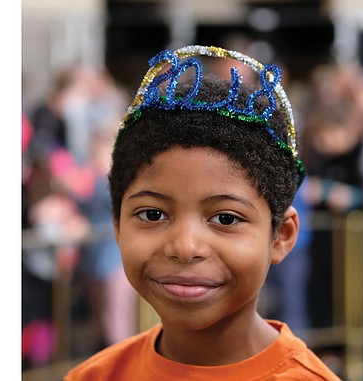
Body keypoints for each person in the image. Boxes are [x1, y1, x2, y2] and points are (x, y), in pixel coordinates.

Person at [65, 45, 341, 380]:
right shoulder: (95, 376)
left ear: (280, 236)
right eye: (153, 214)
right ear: (118, 226)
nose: (185, 247)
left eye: (226, 218)